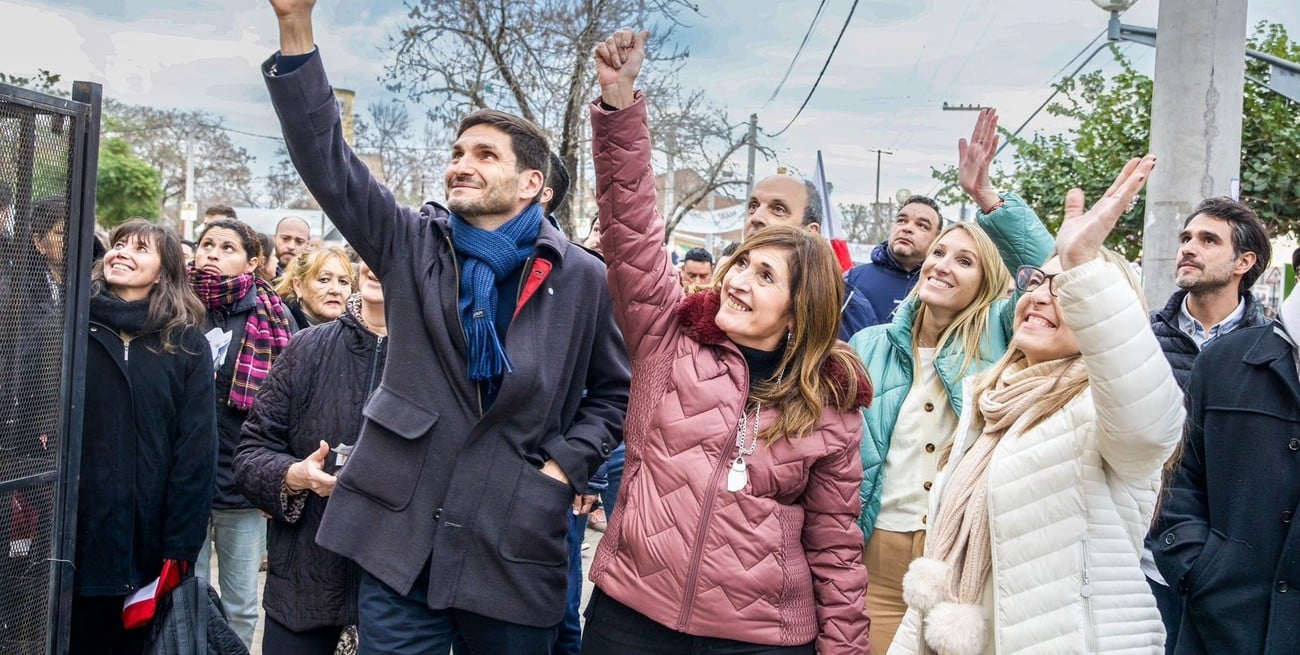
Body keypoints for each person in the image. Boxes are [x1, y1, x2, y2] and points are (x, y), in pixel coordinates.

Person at [263, 3, 631, 653]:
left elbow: (613, 394)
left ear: (533, 184)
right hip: (401, 540)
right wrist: (296, 30)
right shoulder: (414, 243)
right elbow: (329, 165)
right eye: (457, 151)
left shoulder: (582, 278)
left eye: (484, 154)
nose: (461, 162)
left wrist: (560, 471)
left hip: (513, 549)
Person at [586, 29, 870, 655]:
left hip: (759, 637)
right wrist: (620, 106)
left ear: (799, 313)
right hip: (633, 617)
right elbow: (631, 229)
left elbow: (835, 542)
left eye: (764, 275)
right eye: (741, 263)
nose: (738, 280)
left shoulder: (831, 400)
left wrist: (845, 648)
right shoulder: (669, 335)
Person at [891, 155, 1183, 655]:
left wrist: (1084, 267)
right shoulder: (992, 400)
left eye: (1066, 289)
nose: (1043, 296)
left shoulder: (1103, 409)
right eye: (1038, 283)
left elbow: (1150, 427)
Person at [848, 108, 1053, 654]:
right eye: (938, 254)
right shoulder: (869, 345)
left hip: (960, 563)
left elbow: (1052, 267)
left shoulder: (1003, 338)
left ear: (986, 281)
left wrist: (986, 197)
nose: (941, 265)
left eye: (964, 260)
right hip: (876, 557)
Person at [70, 219, 217, 654]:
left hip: (150, 545)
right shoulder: (72, 327)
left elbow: (196, 453)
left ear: (164, 271)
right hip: (77, 534)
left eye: (140, 248)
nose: (121, 253)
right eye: (118, 244)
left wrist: (180, 549)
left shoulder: (186, 343)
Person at [1150, 244, 1300, 655]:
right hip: (1221, 626)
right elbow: (1178, 480)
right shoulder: (1225, 359)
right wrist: (1199, 571)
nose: (1187, 247)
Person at [234, 258, 386, 655]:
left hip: (394, 597)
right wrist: (294, 475)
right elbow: (251, 452)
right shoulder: (308, 348)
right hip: (303, 583)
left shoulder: (438, 361)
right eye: (373, 256)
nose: (382, 266)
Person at [1142, 196, 1272, 652]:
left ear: (1244, 261)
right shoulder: (1143, 340)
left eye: (1208, 240)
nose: (1188, 248)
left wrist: (1214, 564)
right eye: (1186, 238)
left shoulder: (1274, 351)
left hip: (1232, 578)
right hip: (1142, 564)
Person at [191, 218, 294, 650]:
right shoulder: (176, 306)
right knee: (186, 595)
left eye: (227, 247)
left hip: (242, 483)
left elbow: (291, 406)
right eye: (207, 244)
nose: (213, 253)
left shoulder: (273, 317)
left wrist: (273, 479)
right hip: (185, 479)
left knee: (239, 603)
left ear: (252, 262)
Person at [740, 172, 878, 339]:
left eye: (778, 209)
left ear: (810, 232)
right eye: (753, 206)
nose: (756, 217)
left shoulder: (848, 308)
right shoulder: (724, 286)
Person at [845, 196, 942, 323]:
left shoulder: (943, 285)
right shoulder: (852, 280)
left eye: (922, 225)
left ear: (937, 239)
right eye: (901, 221)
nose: (907, 228)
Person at [275, 246, 353, 328]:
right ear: (298, 286)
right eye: (324, 280)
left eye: (343, 282)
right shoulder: (278, 326)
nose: (336, 290)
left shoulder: (357, 330)